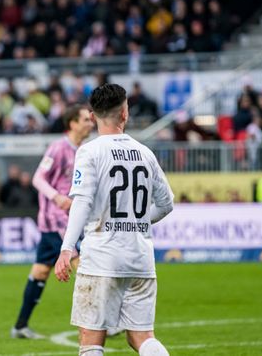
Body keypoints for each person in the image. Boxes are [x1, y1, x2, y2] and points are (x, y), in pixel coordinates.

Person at [55, 83, 174, 356]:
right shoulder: (145, 153)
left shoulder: (89, 151)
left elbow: (82, 202)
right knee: (142, 337)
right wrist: (138, 221)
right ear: (124, 113)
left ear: (93, 115)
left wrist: (66, 247)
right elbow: (167, 204)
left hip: (102, 257)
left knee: (91, 337)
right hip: (140, 259)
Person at [11, 104, 94, 339]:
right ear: (73, 123)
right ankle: (103, 320)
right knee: (83, 264)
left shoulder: (85, 149)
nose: (91, 123)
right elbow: (38, 178)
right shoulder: (58, 147)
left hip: (66, 220)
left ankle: (19, 326)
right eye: (86, 120)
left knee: (40, 272)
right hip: (56, 219)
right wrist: (57, 197)